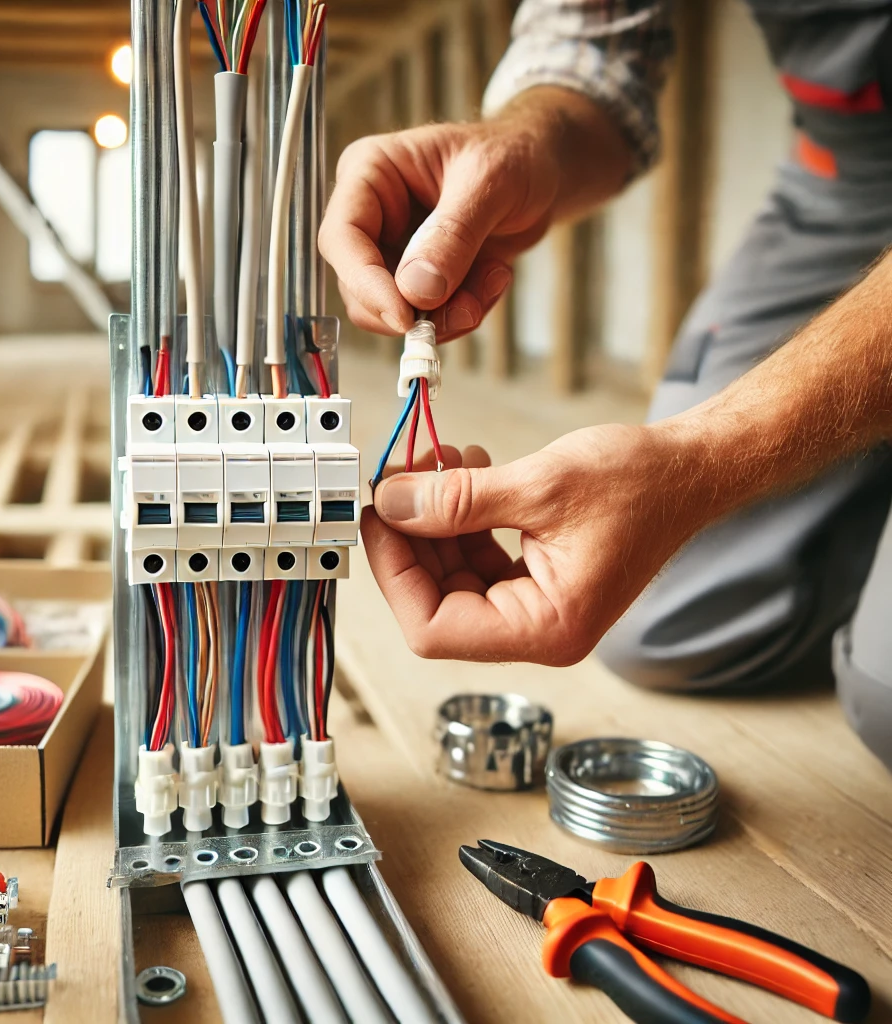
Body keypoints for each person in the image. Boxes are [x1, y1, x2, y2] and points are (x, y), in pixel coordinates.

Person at [317, 0, 892, 771]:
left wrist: (704, 460)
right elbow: (597, 46)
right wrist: (522, 140)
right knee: (663, 621)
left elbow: (706, 458)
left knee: (882, 700)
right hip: (846, 175)